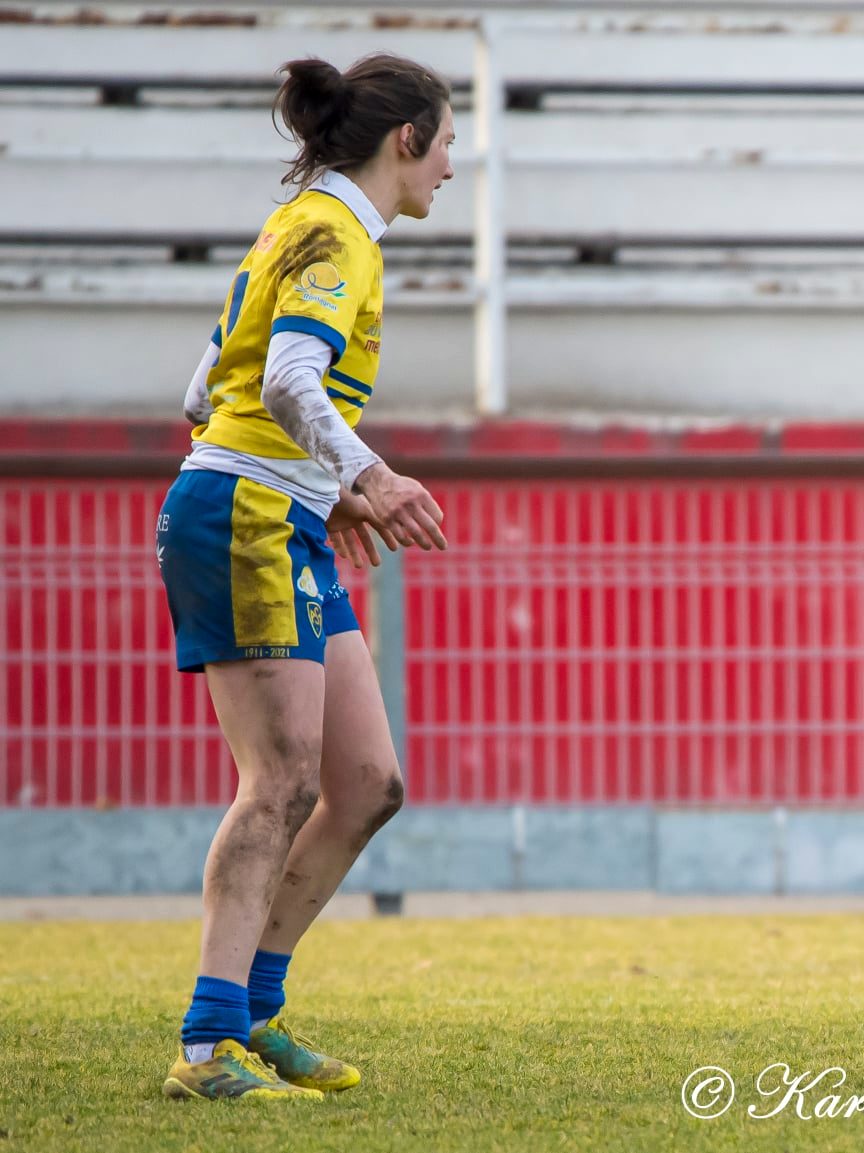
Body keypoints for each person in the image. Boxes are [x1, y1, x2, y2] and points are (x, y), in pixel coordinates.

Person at [155, 54, 454, 1102]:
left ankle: (255, 1010)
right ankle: (207, 1043)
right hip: (245, 517)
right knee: (280, 782)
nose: (450, 170)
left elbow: (203, 392)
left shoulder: (301, 226)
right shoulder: (335, 236)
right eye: (447, 145)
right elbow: (284, 379)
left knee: (367, 782)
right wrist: (366, 474)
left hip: (275, 510)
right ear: (406, 140)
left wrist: (320, 492)